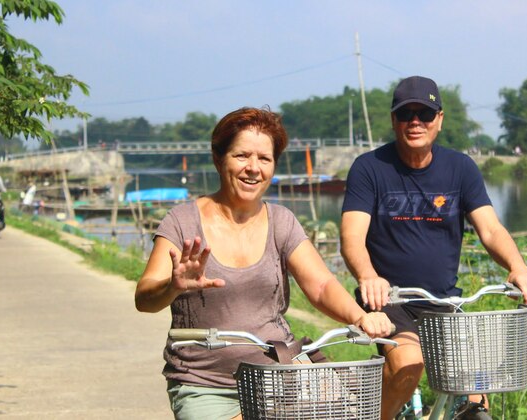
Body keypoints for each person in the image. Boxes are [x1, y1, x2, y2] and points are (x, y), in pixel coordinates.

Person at [135, 107, 392, 420]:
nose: (253, 168)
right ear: (219, 159)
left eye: (264, 159)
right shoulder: (182, 222)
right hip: (204, 382)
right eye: (242, 155)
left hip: (276, 373)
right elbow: (144, 297)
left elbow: (321, 285)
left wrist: (360, 317)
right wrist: (172, 286)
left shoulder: (282, 222)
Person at [340, 75, 527, 419]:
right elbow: (351, 237)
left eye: (425, 114)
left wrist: (518, 268)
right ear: (394, 120)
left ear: (440, 119)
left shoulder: (460, 168)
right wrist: (368, 276)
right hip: (391, 301)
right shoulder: (370, 168)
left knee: (478, 390)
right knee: (408, 364)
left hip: (445, 301)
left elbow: (491, 229)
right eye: (406, 114)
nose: (415, 122)